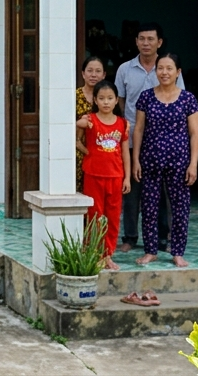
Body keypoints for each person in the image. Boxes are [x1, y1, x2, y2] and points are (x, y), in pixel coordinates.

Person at [114, 23, 183, 252]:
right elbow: (121, 102)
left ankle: (162, 238)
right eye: (141, 39)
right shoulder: (125, 69)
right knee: (132, 190)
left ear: (159, 42)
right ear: (136, 42)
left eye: (150, 39)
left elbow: (180, 99)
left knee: (162, 191)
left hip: (162, 143)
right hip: (132, 139)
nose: (146, 43)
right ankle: (130, 237)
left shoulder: (167, 67)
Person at [132, 53, 198, 268]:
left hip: (179, 161)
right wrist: (135, 160)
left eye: (169, 68)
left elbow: (194, 133)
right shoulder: (146, 97)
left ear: (178, 72)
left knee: (180, 208)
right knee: (150, 207)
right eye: (160, 68)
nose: (164, 72)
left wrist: (193, 164)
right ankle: (150, 251)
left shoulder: (188, 99)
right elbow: (139, 129)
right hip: (150, 160)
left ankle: (177, 252)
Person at [75, 80, 129, 271]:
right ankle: (95, 254)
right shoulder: (90, 120)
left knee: (113, 218)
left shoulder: (122, 124)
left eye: (110, 98)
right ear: (95, 100)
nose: (106, 102)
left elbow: (125, 153)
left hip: (115, 177)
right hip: (94, 176)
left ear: (116, 101)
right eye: (101, 98)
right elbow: (74, 136)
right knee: (94, 217)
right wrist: (86, 151)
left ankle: (108, 255)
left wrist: (127, 177)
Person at [75, 56, 106, 193]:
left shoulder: (107, 96)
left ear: (104, 74)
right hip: (77, 151)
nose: (94, 75)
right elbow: (62, 124)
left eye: (98, 71)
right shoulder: (73, 96)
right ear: (83, 73)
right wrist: (79, 123)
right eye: (90, 70)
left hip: (101, 151)